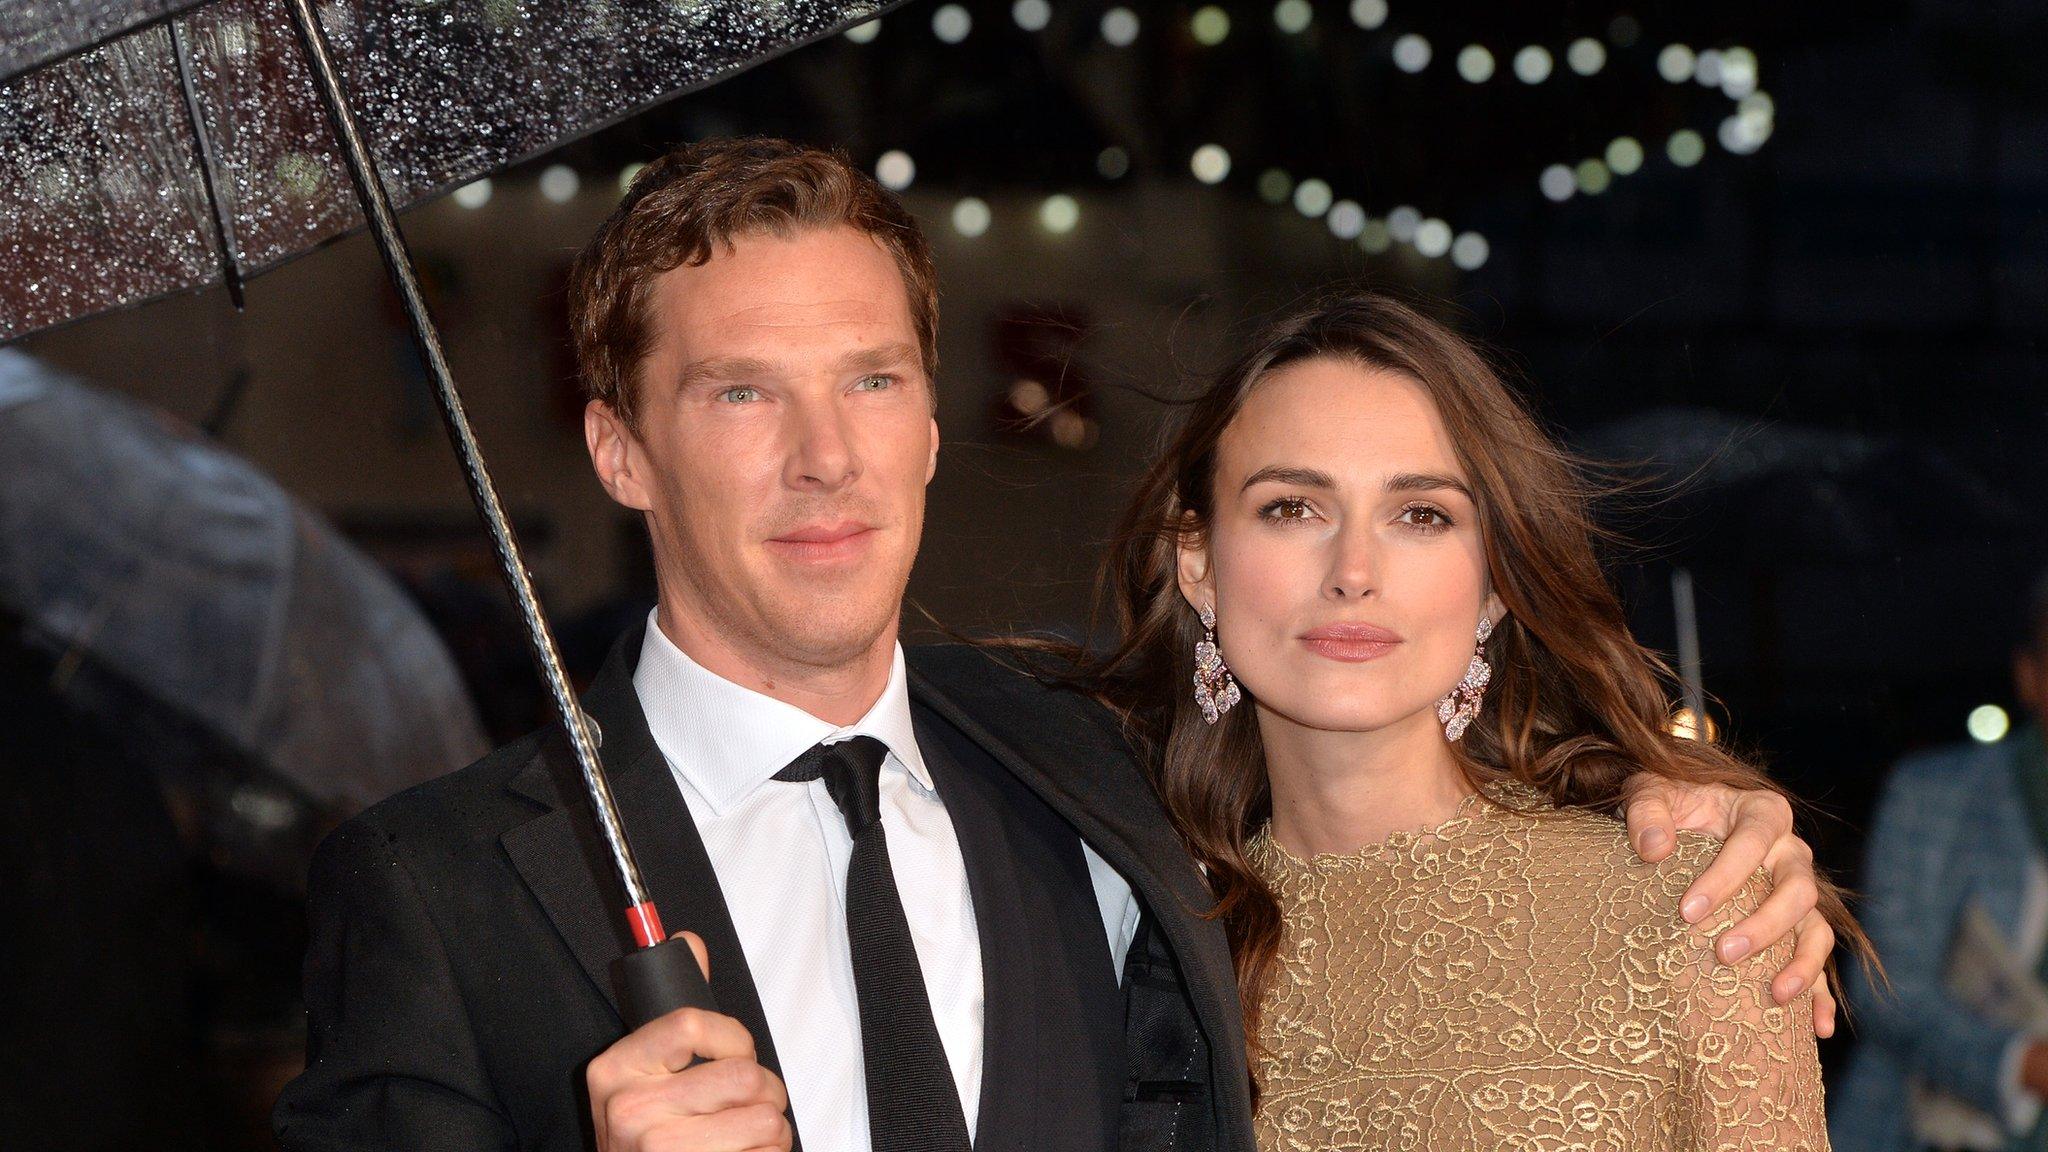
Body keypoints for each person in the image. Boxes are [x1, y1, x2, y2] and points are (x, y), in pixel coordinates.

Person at [274, 140, 1841, 1152]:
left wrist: (1698, 811)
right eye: (744, 392)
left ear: (934, 427)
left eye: (873, 381)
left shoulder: (1087, 781)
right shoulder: (437, 891)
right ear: (619, 453)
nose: (826, 455)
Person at [1044, 291, 1858, 1150]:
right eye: (1293, 507)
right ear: (1198, 559)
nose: (1354, 571)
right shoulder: (1138, 938)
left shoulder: (1697, 905)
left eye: (1421, 515)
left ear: (1496, 584)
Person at [1833, 566, 2048, 1151]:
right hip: (1915, 1130)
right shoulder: (1935, 795)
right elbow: (1884, 986)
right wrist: (2020, 1063)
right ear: (2030, 677)